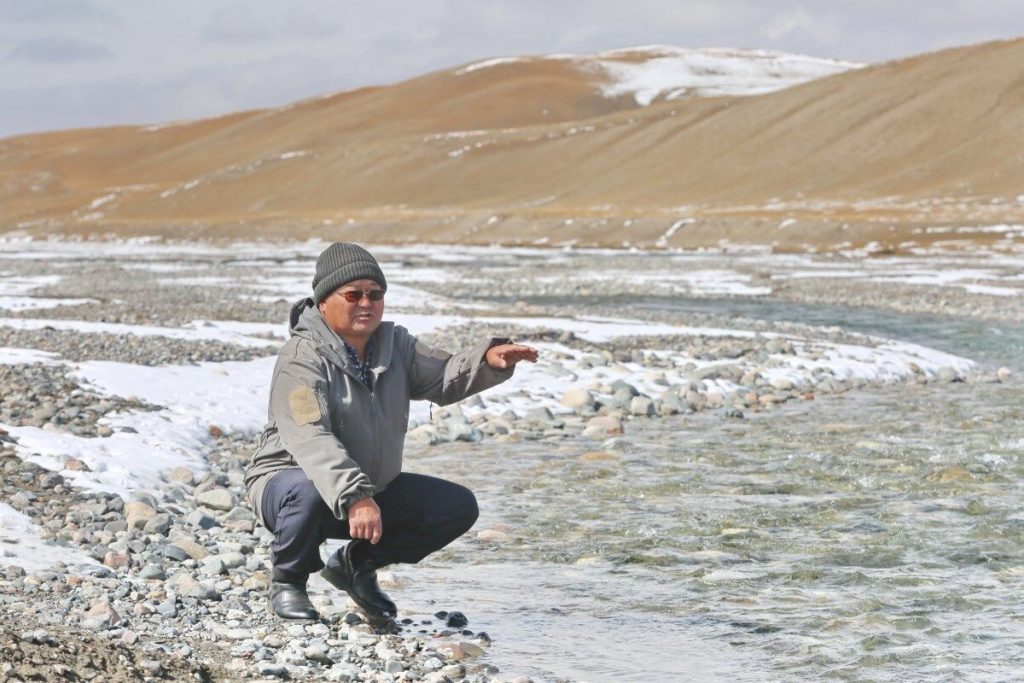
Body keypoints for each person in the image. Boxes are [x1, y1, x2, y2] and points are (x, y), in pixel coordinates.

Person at [244, 242, 537, 621]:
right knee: (307, 490)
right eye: (353, 294)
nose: (366, 303)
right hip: (288, 488)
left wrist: (486, 362)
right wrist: (356, 497)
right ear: (324, 301)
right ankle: (288, 582)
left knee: (455, 506)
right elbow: (309, 437)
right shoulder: (301, 358)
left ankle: (355, 566)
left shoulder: (395, 344)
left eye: (375, 294)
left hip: (365, 490)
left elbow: (444, 376)